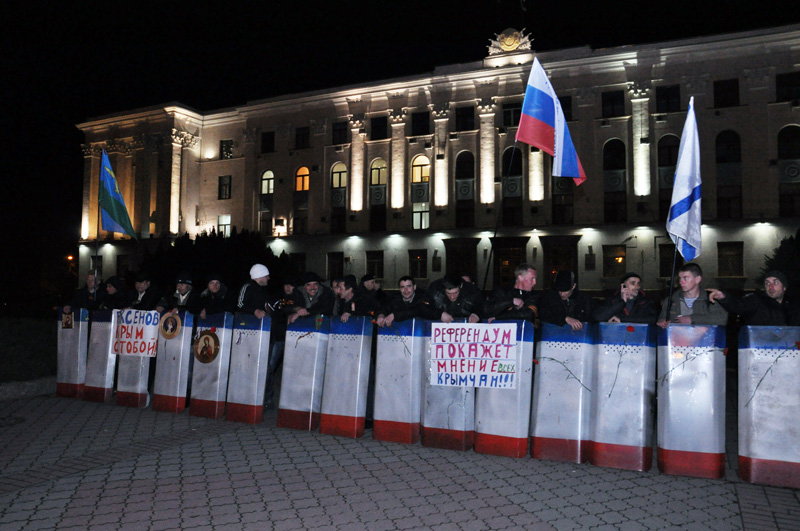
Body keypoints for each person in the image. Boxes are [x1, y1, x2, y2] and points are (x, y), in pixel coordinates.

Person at [707, 270, 800, 325]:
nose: (770, 287)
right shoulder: (756, 301)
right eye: (767, 283)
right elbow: (739, 306)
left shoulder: (793, 307)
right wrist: (724, 297)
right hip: (760, 349)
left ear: (784, 288)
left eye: (776, 283)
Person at [263, 276, 301, 410]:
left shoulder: (299, 296)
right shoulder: (278, 297)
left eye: (291, 285)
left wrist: (294, 312)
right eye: (286, 285)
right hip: (278, 337)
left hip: (296, 338)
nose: (288, 288)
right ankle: (267, 399)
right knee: (269, 367)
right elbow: (272, 310)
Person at [657, 263, 728, 328]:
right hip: (677, 337)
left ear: (697, 279)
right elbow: (662, 319)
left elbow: (722, 318)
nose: (681, 282)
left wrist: (692, 319)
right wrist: (662, 322)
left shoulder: (710, 299)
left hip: (704, 337)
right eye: (680, 278)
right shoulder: (671, 300)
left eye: (685, 278)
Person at [593, 272, 658, 324]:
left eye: (638, 284)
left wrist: (622, 319)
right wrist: (622, 302)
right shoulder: (612, 300)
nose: (637, 287)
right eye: (633, 283)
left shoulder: (645, 301)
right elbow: (599, 317)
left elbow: (652, 319)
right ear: (623, 285)